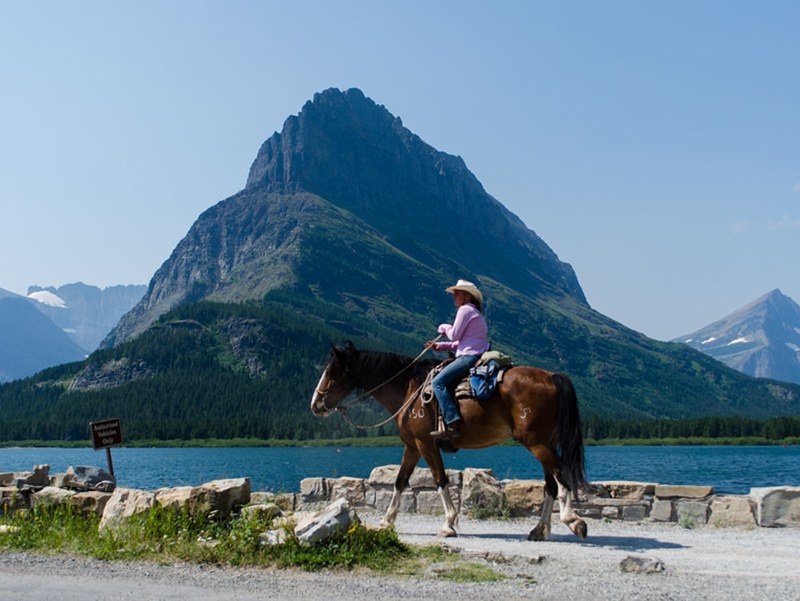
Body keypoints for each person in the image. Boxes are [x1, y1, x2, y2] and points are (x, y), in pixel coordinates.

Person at [426, 279, 490, 439]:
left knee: (437, 382)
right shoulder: (475, 311)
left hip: (468, 357)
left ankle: (451, 420)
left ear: (467, 296)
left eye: (457, 293)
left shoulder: (465, 310)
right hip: (474, 355)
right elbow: (460, 343)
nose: (454, 296)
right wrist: (439, 346)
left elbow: (454, 334)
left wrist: (444, 327)